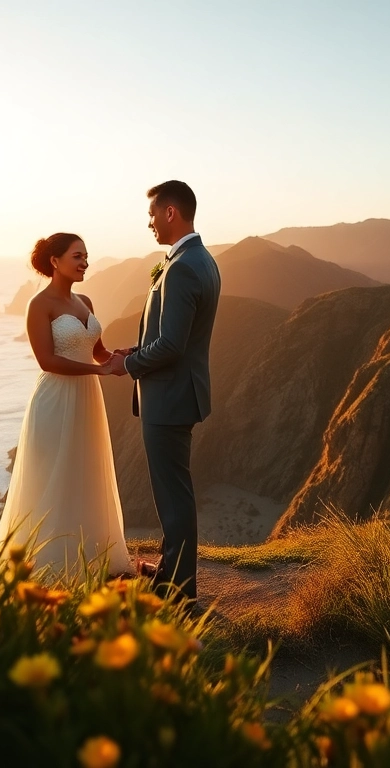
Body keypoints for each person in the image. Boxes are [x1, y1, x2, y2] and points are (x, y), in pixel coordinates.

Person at [0, 233, 133, 578]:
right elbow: (47, 360)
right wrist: (98, 370)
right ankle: (50, 562)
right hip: (55, 398)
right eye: (77, 256)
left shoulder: (86, 301)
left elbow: (97, 350)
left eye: (86, 256)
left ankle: (91, 554)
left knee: (84, 471)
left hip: (87, 396)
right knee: (53, 474)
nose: (84, 262)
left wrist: (121, 356)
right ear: (55, 261)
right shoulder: (39, 305)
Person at [108, 180, 221, 605]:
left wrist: (128, 364)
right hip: (178, 393)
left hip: (169, 397)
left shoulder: (184, 267)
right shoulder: (201, 259)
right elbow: (174, 337)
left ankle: (178, 589)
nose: (149, 222)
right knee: (176, 491)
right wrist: (137, 349)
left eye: (153, 214)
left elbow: (172, 346)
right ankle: (174, 571)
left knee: (173, 495)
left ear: (171, 212)